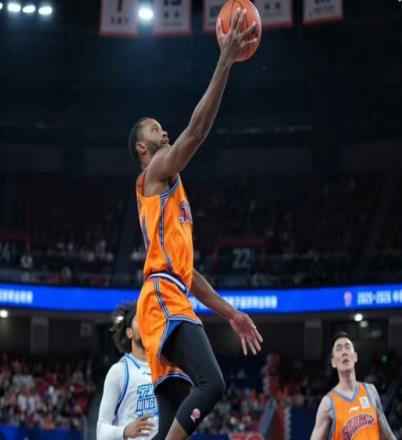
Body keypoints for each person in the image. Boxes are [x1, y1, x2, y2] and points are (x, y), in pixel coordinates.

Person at [127, 9, 262, 440]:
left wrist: (230, 313)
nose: (164, 132)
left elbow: (190, 277)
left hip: (169, 293)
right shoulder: (154, 173)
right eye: (155, 130)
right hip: (162, 299)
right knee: (212, 383)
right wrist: (225, 60)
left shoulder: (171, 188)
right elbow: (197, 132)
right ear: (142, 149)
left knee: (173, 412)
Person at [310, 332, 396, 440]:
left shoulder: (370, 391)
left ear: (355, 357)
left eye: (347, 347)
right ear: (333, 362)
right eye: (339, 349)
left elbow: (388, 435)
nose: (344, 352)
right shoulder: (328, 403)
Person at [97, 302, 158, 439]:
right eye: (139, 319)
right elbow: (100, 431)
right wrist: (125, 431)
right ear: (129, 332)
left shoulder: (164, 368)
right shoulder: (119, 371)